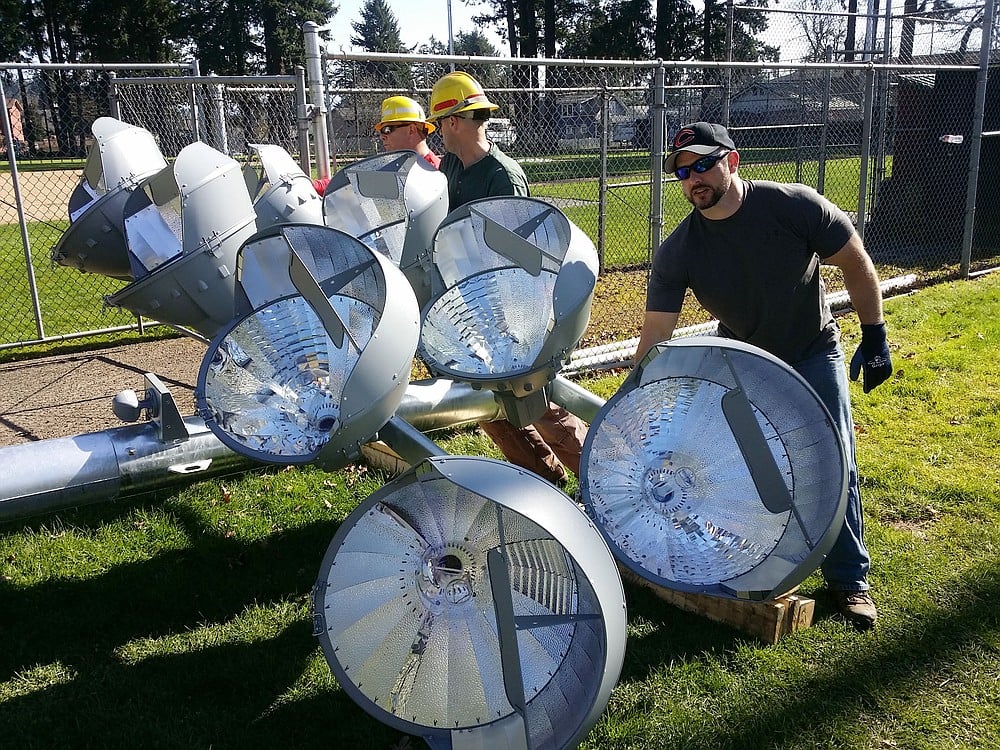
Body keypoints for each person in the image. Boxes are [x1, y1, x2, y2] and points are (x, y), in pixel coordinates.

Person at [635, 121, 893, 631]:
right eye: (682, 171)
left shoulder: (794, 206)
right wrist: (635, 399)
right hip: (745, 363)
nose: (693, 179)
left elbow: (855, 262)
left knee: (833, 461)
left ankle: (849, 580)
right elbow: (655, 339)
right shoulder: (679, 250)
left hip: (810, 350)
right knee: (746, 469)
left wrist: (876, 335)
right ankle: (749, 560)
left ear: (732, 161)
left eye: (702, 164)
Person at [425, 70, 588, 487]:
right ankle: (543, 479)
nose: (439, 132)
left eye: (440, 123)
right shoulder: (452, 167)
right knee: (486, 404)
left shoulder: (503, 176)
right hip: (472, 307)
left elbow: (521, 263)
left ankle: (599, 476)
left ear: (454, 121)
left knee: (537, 402)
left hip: (510, 313)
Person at [374, 95, 441, 169]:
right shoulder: (397, 168)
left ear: (411, 130)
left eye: (387, 130)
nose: (382, 136)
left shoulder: (433, 171)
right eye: (381, 131)